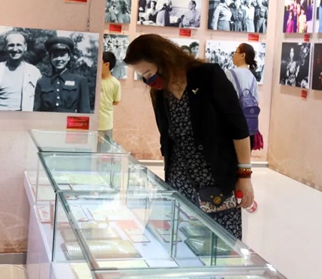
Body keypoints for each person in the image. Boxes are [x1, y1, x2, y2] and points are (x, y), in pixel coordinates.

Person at [124, 34, 255, 240]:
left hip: (216, 182)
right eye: (143, 77)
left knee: (219, 245)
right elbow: (167, 139)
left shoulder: (208, 76)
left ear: (164, 59)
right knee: (180, 244)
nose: (149, 81)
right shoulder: (160, 94)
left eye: (149, 73)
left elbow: (238, 129)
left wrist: (244, 176)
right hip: (180, 183)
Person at [0, 32, 42, 111]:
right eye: (11, 45)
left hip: (24, 117)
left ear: (25, 47)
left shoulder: (34, 72)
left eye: (18, 45)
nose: (15, 49)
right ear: (5, 47)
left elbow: (40, 102)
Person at [34, 36, 91, 112]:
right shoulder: (42, 83)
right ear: (50, 57)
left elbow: (85, 111)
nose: (59, 59)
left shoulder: (80, 81)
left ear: (69, 57)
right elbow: (37, 111)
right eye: (55, 56)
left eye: (62, 55)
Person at [226, 43, 260, 145]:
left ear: (242, 55)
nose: (233, 55)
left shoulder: (229, 73)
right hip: (249, 126)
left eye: (235, 52)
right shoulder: (252, 77)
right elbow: (257, 102)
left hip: (233, 125)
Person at [99, 51, 121, 141]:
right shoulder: (94, 80)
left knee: (105, 148)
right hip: (91, 123)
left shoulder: (115, 83)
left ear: (106, 64)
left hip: (105, 124)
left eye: (99, 61)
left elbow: (116, 101)